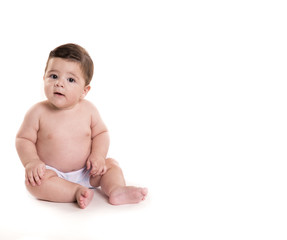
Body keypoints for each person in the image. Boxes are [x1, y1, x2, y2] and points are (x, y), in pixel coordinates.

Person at [15, 43, 148, 209]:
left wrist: (98, 156)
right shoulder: (37, 112)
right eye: (53, 76)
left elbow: (101, 133)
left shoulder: (89, 110)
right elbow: (23, 139)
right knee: (34, 184)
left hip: (88, 171)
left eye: (70, 80)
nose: (59, 83)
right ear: (44, 79)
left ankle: (116, 189)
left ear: (84, 90)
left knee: (111, 164)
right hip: (52, 173)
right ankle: (75, 191)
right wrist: (31, 162)